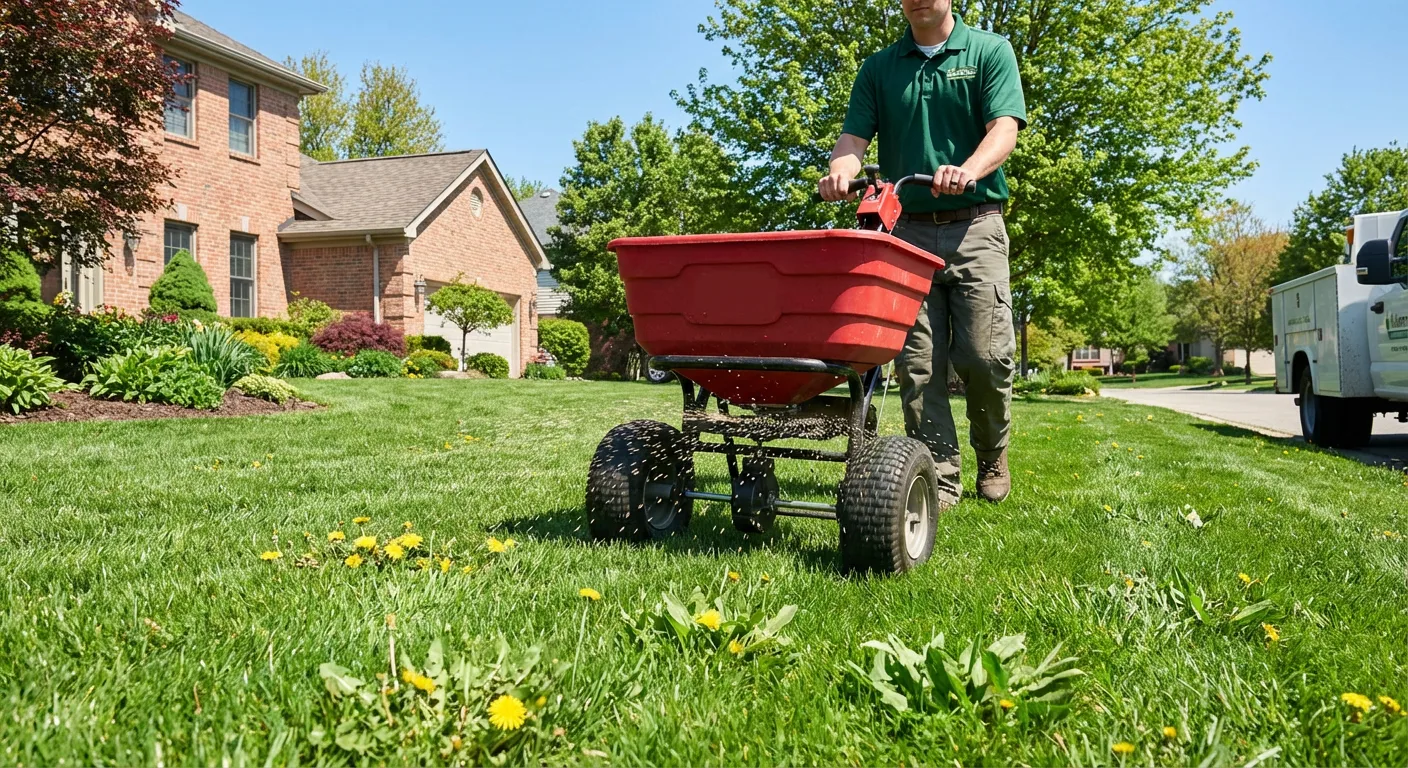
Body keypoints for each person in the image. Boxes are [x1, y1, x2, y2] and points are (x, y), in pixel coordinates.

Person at [819, 0, 1026, 506]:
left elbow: (1005, 128)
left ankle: (992, 451)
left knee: (985, 355)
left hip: (976, 224)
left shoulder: (989, 51)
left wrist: (970, 169)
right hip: (905, 233)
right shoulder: (880, 67)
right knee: (918, 366)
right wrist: (843, 167)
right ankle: (940, 474)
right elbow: (853, 138)